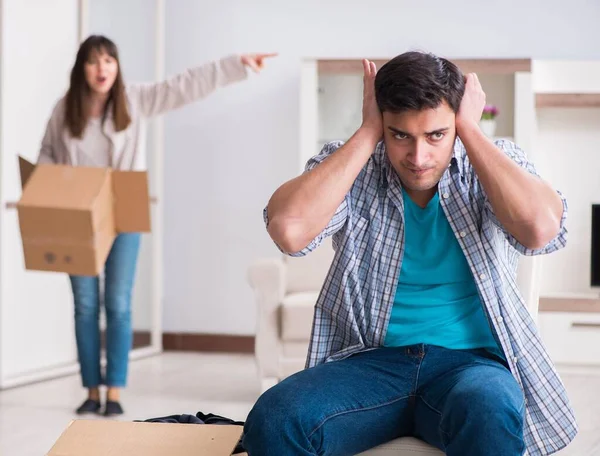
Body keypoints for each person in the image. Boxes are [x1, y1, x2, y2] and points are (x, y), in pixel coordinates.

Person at [243, 52, 577, 455]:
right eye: (400, 134)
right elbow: (289, 231)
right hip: (370, 363)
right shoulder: (356, 163)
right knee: (275, 418)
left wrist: (469, 130)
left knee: (491, 410)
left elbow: (540, 229)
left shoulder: (490, 162)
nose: (418, 158)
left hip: (472, 366)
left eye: (436, 134)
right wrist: (367, 133)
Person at [37, 35, 275, 416]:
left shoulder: (134, 100)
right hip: (78, 217)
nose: (103, 69)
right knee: (85, 305)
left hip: (124, 213)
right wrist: (51, 184)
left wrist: (236, 64)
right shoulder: (64, 110)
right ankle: (91, 390)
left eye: (109, 60)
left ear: (117, 67)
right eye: (95, 61)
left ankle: (113, 391)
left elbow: (182, 86)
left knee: (117, 302)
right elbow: (46, 152)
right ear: (82, 67)